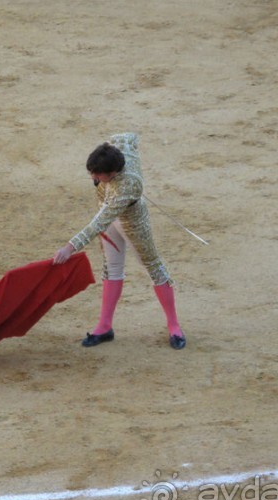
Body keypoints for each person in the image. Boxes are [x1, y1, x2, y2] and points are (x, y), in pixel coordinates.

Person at [52, 132, 186, 349]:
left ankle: (174, 326)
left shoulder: (127, 187)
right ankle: (104, 326)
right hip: (106, 215)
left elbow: (100, 223)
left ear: (113, 173)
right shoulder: (118, 148)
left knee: (154, 267)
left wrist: (70, 247)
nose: (94, 179)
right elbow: (129, 136)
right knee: (111, 267)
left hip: (132, 224)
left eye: (98, 175)